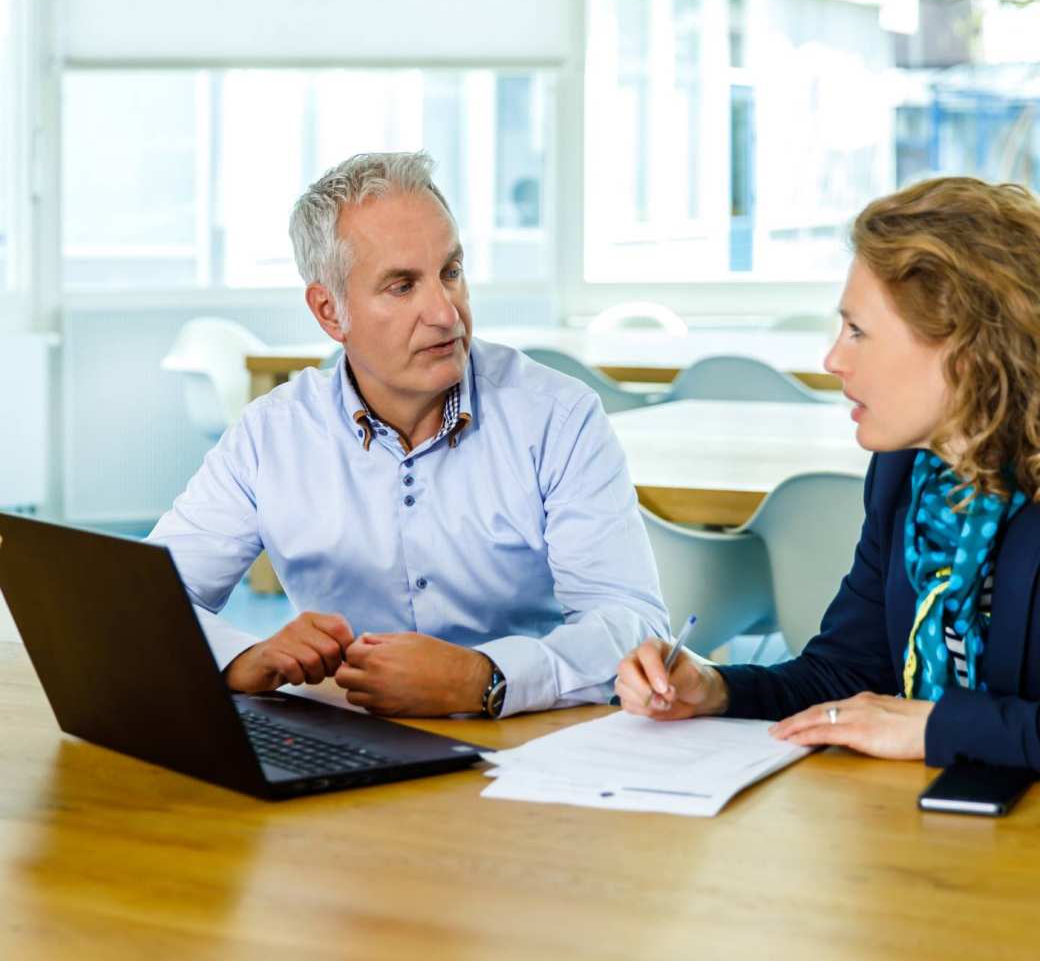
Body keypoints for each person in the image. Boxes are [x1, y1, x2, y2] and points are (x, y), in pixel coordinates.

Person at [150, 151, 668, 719]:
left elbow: (632, 624)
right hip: (347, 740)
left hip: (533, 740)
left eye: (451, 272)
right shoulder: (270, 434)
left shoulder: (558, 418)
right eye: (402, 286)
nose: (446, 313)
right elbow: (141, 603)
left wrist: (487, 678)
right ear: (329, 311)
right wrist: (241, 657)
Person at [615, 176, 1040, 770]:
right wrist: (715, 689)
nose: (833, 359)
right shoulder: (908, 477)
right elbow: (842, 672)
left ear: (967, 353)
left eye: (859, 332)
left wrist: (940, 729)